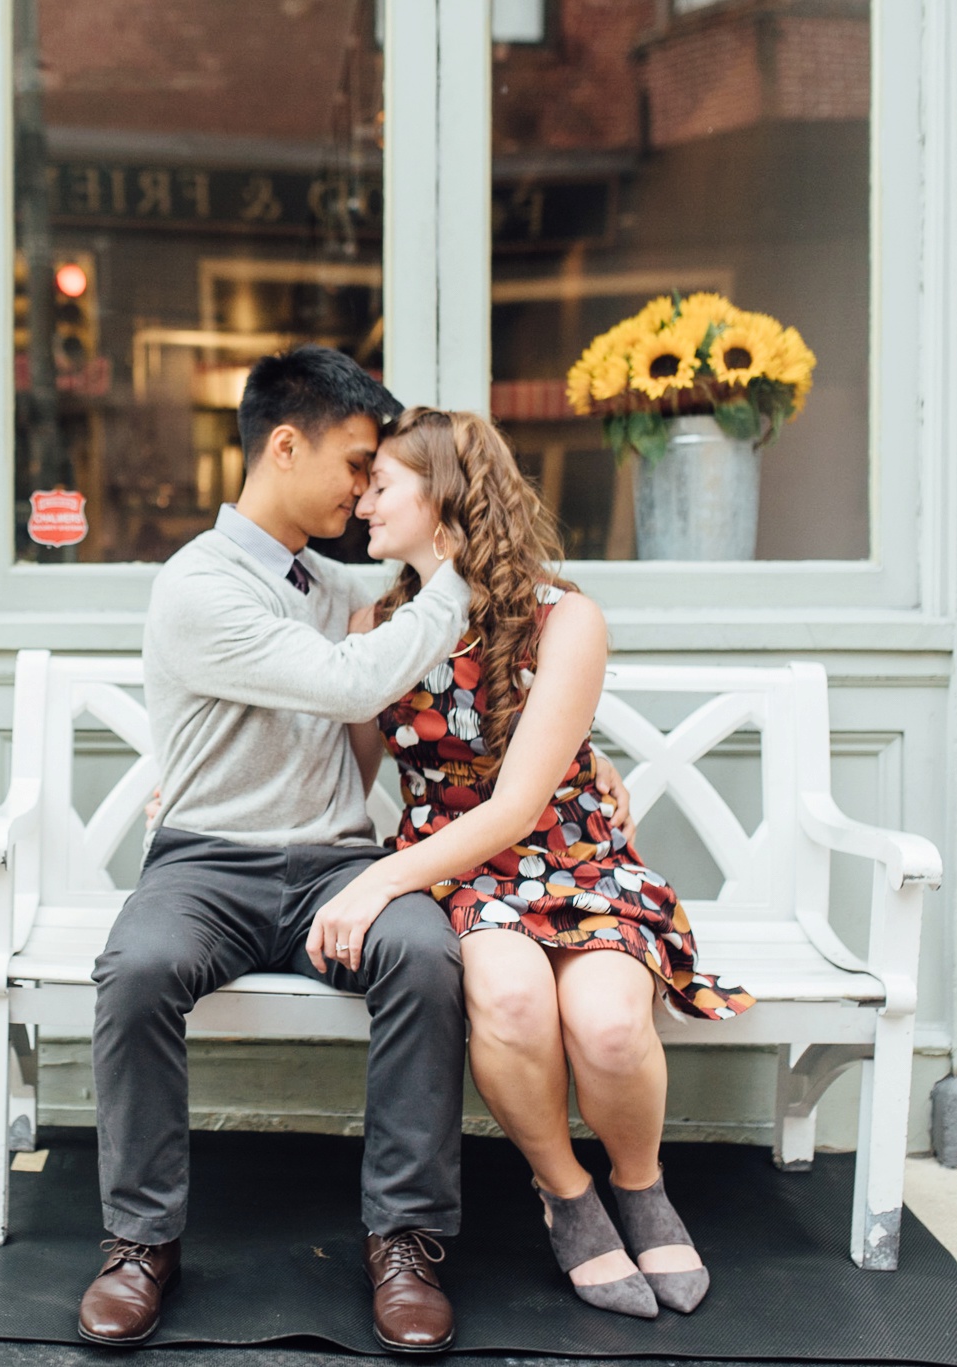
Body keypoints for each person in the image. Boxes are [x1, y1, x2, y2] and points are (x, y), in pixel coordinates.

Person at [79, 349, 632, 1352]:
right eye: (352, 462)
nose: (361, 487)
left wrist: (585, 761)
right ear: (282, 446)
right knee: (135, 968)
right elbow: (351, 680)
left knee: (426, 954)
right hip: (210, 862)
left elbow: (499, 646)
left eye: (379, 472)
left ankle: (405, 1238)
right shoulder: (197, 587)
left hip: (339, 861)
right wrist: (452, 583)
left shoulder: (332, 580)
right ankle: (137, 1240)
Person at [328, 407, 756, 1320]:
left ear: (442, 496)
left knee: (605, 1026)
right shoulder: (377, 620)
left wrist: (375, 881)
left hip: (574, 859)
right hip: (457, 871)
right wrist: (199, 786)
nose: (362, 500)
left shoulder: (562, 618)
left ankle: (638, 1183)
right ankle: (567, 1192)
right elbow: (341, 773)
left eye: (383, 485)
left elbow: (519, 804)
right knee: (516, 1001)